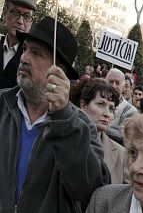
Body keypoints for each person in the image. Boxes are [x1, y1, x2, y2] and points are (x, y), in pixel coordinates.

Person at [0, 16, 109, 211]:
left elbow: (88, 190)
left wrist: (63, 119)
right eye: (25, 49)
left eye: (36, 53)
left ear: (59, 71)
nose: (24, 58)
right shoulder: (3, 104)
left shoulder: (80, 125)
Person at [79, 78, 129, 184]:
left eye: (111, 108)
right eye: (101, 104)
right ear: (83, 105)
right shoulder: (65, 140)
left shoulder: (121, 154)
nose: (107, 114)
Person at [0, 0, 36, 89]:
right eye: (15, 13)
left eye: (27, 17)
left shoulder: (34, 58)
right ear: (4, 13)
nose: (20, 21)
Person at [106, 68, 138, 144]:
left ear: (123, 86)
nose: (113, 86)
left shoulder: (130, 110)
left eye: (117, 83)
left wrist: (101, 126)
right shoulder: (96, 101)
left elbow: (125, 134)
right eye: (110, 82)